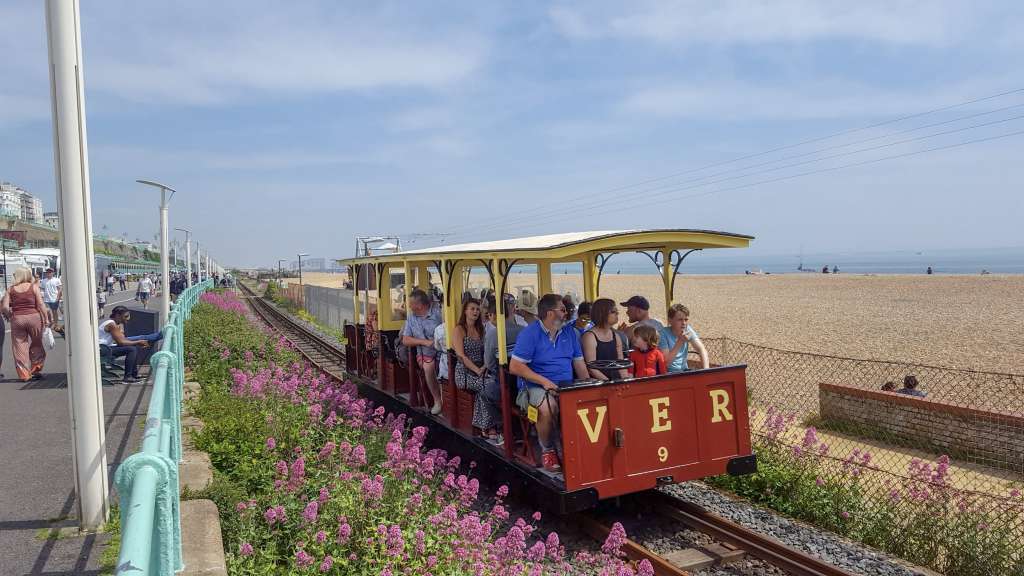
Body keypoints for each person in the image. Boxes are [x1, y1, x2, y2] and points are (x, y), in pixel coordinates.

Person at [509, 293, 589, 472]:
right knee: (548, 407)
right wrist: (544, 382)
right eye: (563, 310)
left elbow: (579, 364)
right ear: (550, 313)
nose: (567, 313)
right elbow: (514, 366)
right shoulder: (530, 334)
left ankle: (581, 449)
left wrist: (588, 386)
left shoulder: (570, 333)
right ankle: (548, 449)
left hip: (566, 385)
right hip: (532, 387)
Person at [453, 298, 499, 437]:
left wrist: (485, 366)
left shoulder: (481, 329)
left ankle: (487, 425)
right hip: (465, 372)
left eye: (477, 309)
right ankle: (489, 426)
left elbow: (487, 350)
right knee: (487, 386)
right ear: (465, 311)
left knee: (496, 383)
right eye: (472, 309)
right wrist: (477, 370)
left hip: (482, 369)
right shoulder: (459, 329)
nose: (475, 311)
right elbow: (461, 355)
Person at [400, 289, 444, 414]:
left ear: (419, 305)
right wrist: (424, 342)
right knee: (429, 368)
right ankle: (437, 401)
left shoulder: (438, 314)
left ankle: (448, 399)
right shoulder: (411, 318)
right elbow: (406, 340)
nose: (408, 306)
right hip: (424, 354)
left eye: (411, 303)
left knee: (446, 365)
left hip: (442, 351)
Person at [1, 267, 48, 381]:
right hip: (34, 318)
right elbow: (41, 304)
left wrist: (9, 316)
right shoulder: (33, 287)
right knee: (37, 343)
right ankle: (36, 369)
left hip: (18, 319)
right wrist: (46, 318)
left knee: (19, 345)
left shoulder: (11, 289)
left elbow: (5, 307)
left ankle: (24, 374)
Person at [99, 306, 155, 384]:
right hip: (102, 350)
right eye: (125, 316)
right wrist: (138, 342)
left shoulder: (115, 324)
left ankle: (134, 374)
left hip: (105, 348)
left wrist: (121, 328)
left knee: (132, 347)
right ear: (118, 315)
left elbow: (123, 339)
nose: (128, 318)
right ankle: (128, 377)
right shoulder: (111, 324)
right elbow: (121, 342)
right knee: (131, 349)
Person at [582, 298, 628, 380]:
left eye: (617, 311)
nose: (617, 313)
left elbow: (621, 364)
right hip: (599, 383)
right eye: (613, 312)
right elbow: (591, 368)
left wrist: (626, 379)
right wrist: (608, 383)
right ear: (602, 314)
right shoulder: (589, 336)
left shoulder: (616, 336)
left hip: (615, 381)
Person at [659, 303, 710, 372]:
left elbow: (701, 349)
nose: (684, 323)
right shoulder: (663, 334)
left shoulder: (687, 329)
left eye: (686, 320)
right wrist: (680, 341)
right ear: (670, 320)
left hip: (684, 371)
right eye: (680, 320)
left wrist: (706, 370)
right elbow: (666, 363)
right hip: (668, 373)